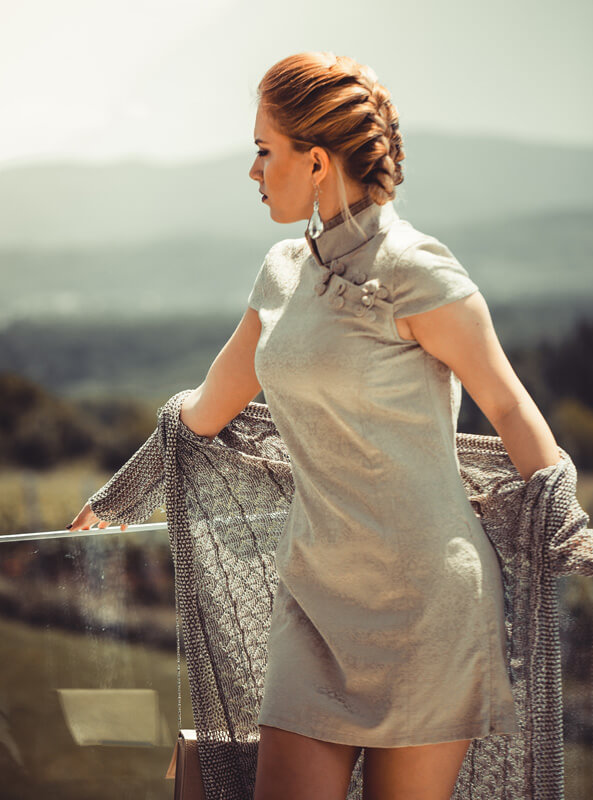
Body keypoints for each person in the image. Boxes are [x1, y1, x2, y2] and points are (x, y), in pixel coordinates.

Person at [68, 51, 562, 800]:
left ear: (317, 161)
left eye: (264, 150)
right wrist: (121, 495)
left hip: (428, 606)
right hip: (315, 604)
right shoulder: (280, 273)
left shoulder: (418, 271)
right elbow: (205, 411)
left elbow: (510, 407)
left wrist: (569, 528)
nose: (254, 170)